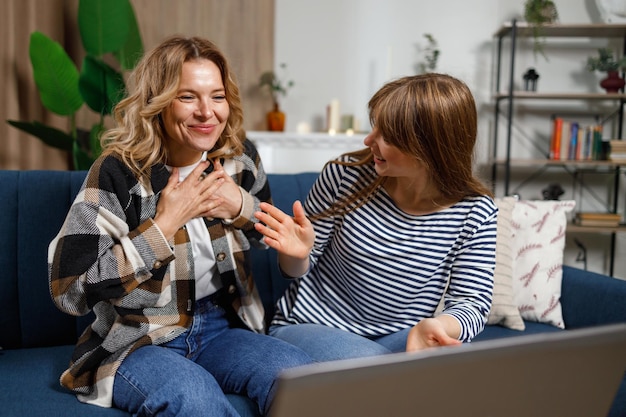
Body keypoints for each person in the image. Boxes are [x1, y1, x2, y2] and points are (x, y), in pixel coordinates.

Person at [47, 35, 312, 417]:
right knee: (195, 399)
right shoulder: (117, 172)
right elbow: (69, 290)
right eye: (188, 96)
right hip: (139, 339)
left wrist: (242, 206)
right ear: (158, 102)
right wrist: (165, 224)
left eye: (217, 96)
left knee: (300, 380)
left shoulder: (239, 158)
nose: (208, 112)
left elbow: (271, 242)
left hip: (223, 327)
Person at [254, 73, 498, 362]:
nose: (369, 140)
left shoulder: (476, 211)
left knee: (461, 363)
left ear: (430, 148)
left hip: (397, 336)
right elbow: (298, 269)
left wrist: (438, 325)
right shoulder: (345, 175)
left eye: (388, 136)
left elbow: (471, 303)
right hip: (312, 325)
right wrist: (297, 255)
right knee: (376, 368)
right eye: (375, 128)